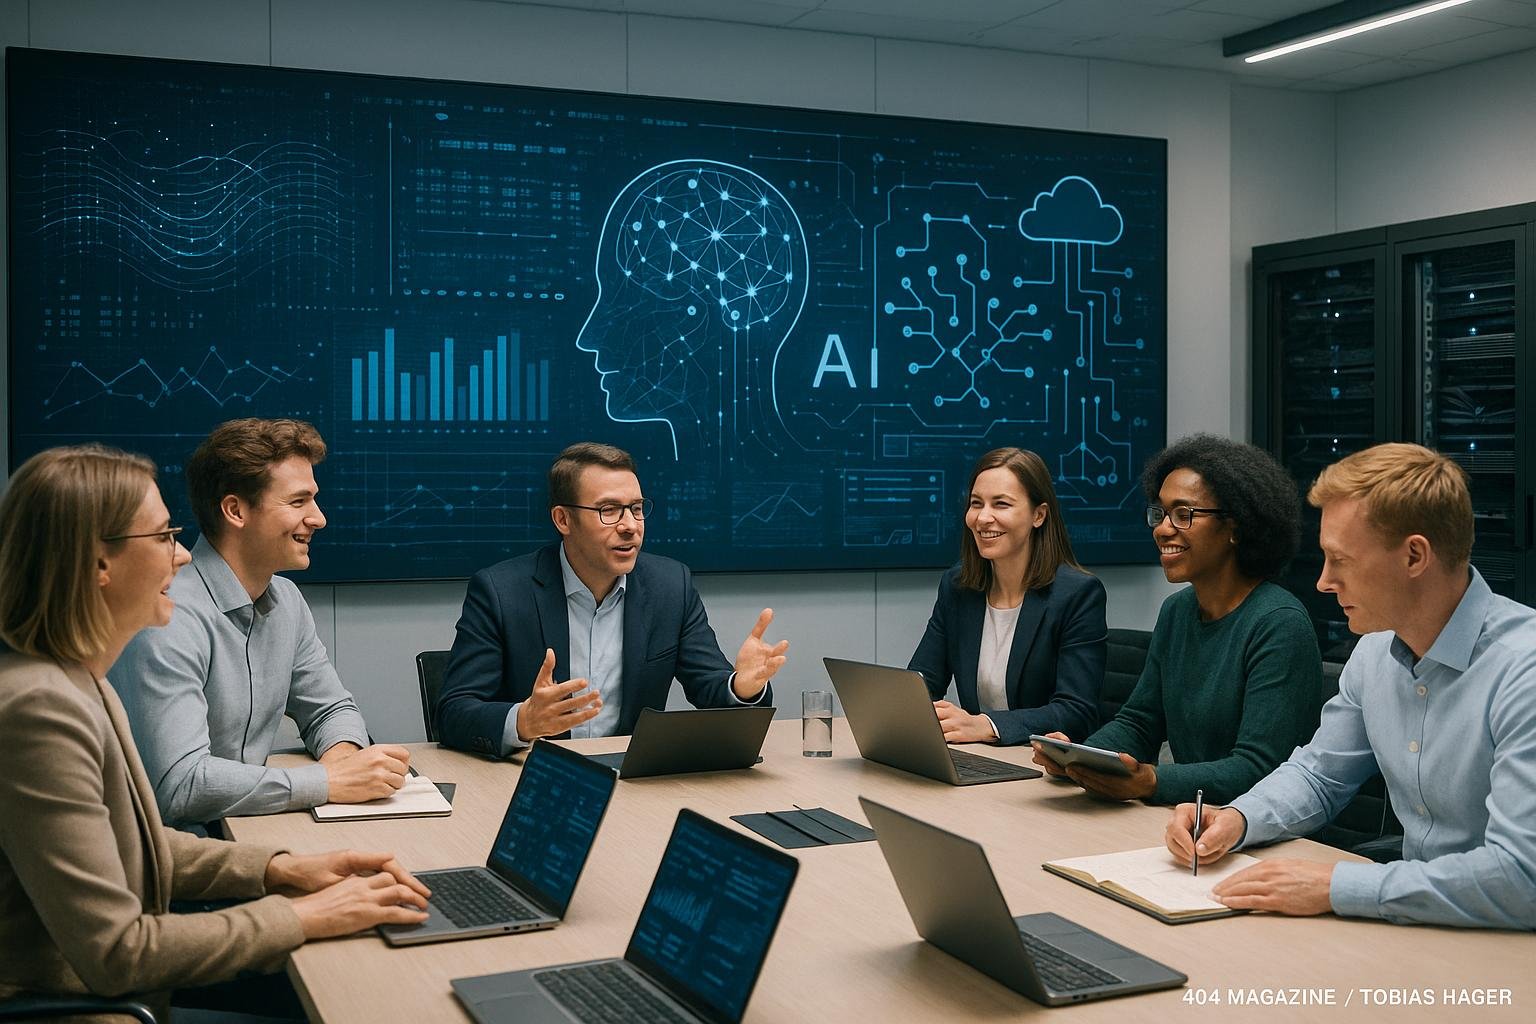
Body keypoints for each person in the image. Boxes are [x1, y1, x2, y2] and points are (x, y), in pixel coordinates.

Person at [0, 444, 429, 1019]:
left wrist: (279, 867)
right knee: (365, 991)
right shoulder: (39, 712)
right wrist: (302, 915)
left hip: (133, 988)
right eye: (160, 538)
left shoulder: (75, 680)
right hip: (93, 1006)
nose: (180, 557)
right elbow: (118, 953)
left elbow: (136, 844)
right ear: (98, 565)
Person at [1166, 444, 1536, 930]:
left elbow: (1521, 879)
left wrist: (1333, 886)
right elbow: (1320, 775)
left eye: (1340, 560)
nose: (1323, 582)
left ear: (1414, 556)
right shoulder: (1375, 651)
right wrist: (1237, 818)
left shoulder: (1522, 672)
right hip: (1422, 923)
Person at [114, 418, 409, 830]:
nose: (319, 518)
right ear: (236, 510)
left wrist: (342, 757)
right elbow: (179, 786)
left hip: (245, 831)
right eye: (298, 501)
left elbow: (331, 708)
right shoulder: (167, 615)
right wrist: (325, 781)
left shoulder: (286, 600)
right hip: (176, 861)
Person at [437, 441, 789, 757]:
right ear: (563, 519)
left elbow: (710, 688)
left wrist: (741, 687)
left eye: (636, 509)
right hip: (535, 776)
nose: (630, 526)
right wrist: (524, 721)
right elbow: (453, 713)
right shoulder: (501, 591)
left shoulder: (670, 586)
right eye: (609, 510)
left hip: (631, 783)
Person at [1031, 434, 1322, 804]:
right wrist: (1080, 757)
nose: (1162, 528)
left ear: (1235, 526)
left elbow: (1261, 768)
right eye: (1160, 512)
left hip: (1266, 836)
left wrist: (1152, 781)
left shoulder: (1279, 623)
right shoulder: (1177, 611)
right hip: (1189, 820)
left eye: (1184, 514)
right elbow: (1140, 722)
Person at [907, 447, 1105, 745]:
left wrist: (986, 725)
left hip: (1037, 765)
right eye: (976, 504)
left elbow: (1076, 710)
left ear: (1039, 515)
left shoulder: (1078, 594)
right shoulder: (958, 586)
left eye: (1001, 504)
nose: (983, 518)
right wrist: (917, 712)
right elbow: (921, 682)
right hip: (977, 758)